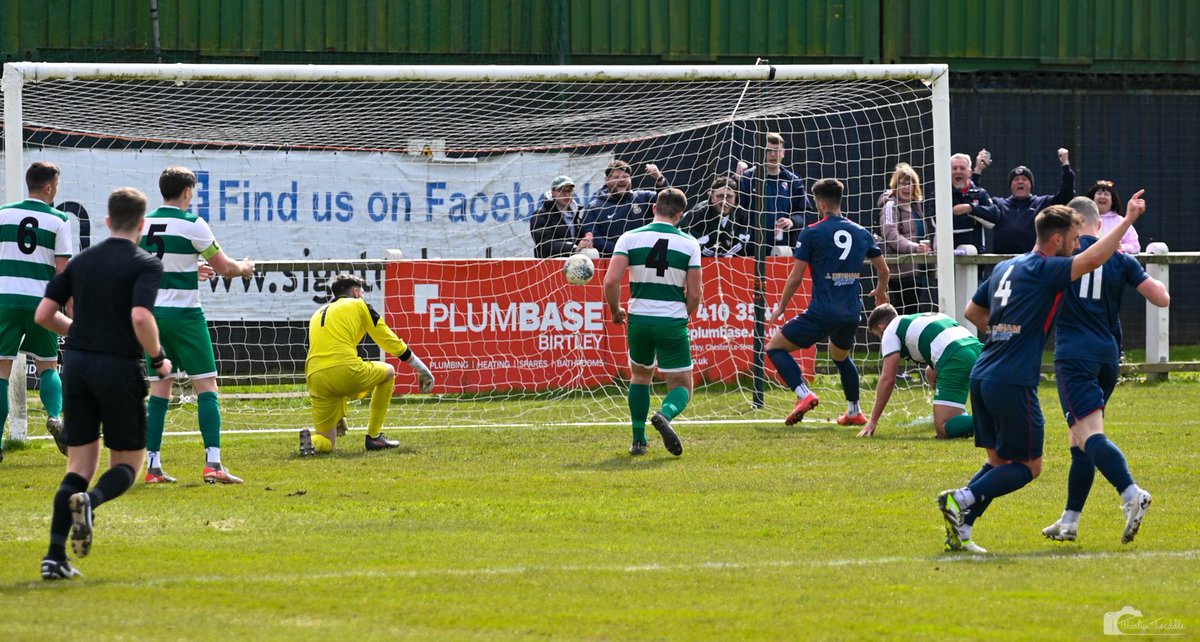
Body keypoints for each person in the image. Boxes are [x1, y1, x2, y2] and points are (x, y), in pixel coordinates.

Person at [937, 194, 1146, 555]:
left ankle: (963, 528)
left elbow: (973, 311)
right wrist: (1126, 221)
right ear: (1056, 240)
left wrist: (1007, 332)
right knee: (1029, 467)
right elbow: (1095, 258)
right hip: (1012, 380)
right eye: (1073, 239)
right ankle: (962, 497)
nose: (1078, 245)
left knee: (996, 462)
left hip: (983, 374)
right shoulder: (1045, 268)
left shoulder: (1005, 266)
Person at [34, 187, 171, 580]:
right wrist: (159, 358)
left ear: (107, 221)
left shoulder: (80, 262)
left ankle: (54, 557)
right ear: (141, 224)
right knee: (128, 462)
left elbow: (44, 314)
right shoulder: (144, 263)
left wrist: (81, 331)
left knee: (79, 465)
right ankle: (90, 502)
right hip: (118, 368)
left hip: (75, 365)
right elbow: (142, 318)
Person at [1042, 196, 1168, 544]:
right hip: (1108, 357)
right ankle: (1069, 520)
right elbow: (1161, 298)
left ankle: (1131, 493)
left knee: (1088, 434)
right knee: (1078, 440)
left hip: (1074, 356)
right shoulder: (1121, 258)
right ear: (1099, 222)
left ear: (1074, 225)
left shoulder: (1063, 256)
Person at [140, 167, 255, 485]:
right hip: (186, 317)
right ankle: (213, 464)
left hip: (151, 318)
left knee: (159, 390)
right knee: (206, 386)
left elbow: (150, 268)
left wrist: (192, 269)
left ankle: (152, 467)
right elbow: (228, 268)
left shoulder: (142, 223)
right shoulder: (193, 224)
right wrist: (246, 267)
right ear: (187, 192)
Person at [765, 178, 888, 427]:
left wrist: (782, 305)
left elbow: (796, 276)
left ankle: (803, 394)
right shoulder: (861, 232)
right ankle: (854, 411)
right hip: (851, 311)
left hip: (823, 310)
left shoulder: (811, 232)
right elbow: (884, 270)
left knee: (774, 348)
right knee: (840, 356)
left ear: (820, 203)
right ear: (839, 200)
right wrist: (880, 291)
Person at [602, 187, 700, 457]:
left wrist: (616, 310)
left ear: (654, 207)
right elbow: (695, 294)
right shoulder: (689, 243)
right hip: (671, 320)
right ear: (679, 215)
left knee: (640, 376)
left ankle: (638, 440)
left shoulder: (630, 238)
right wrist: (682, 316)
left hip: (640, 319)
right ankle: (664, 414)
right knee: (681, 385)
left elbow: (610, 282)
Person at [300, 275, 434, 455]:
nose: (363, 296)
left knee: (327, 443)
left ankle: (312, 441)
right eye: (363, 292)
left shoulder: (318, 313)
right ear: (356, 292)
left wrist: (338, 411)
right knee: (388, 372)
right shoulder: (358, 304)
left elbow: (325, 356)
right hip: (344, 371)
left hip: (315, 376)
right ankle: (374, 436)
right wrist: (421, 368)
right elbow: (388, 339)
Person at [0, 161, 73, 459]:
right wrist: (66, 311)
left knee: (1, 373)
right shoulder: (58, 220)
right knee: (47, 366)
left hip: (4, 300)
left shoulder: (3, 214)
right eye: (56, 184)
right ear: (48, 187)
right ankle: (55, 417)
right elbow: (62, 273)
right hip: (40, 304)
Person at [859, 304, 981, 439]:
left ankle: (996, 421)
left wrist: (873, 421)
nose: (881, 340)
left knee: (943, 428)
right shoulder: (915, 320)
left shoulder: (890, 331)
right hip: (976, 348)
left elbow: (888, 379)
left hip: (955, 357)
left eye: (878, 335)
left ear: (881, 327)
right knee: (930, 373)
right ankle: (958, 414)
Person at [979, 148, 1076, 255]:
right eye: (1016, 179)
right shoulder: (998, 204)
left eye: (1024, 179)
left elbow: (1066, 195)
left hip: (1031, 264)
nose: (1020, 181)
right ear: (1010, 186)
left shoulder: (1043, 203)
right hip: (1001, 264)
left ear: (1031, 185)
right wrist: (977, 170)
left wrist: (1065, 165)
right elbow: (976, 199)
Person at [738, 132, 813, 256]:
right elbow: (737, 210)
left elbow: (806, 213)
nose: (772, 154)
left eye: (776, 150)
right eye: (768, 150)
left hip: (784, 249)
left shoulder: (793, 180)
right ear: (761, 153)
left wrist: (792, 221)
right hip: (752, 248)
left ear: (783, 153)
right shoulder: (748, 178)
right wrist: (736, 179)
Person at [878, 163, 934, 316]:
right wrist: (914, 247)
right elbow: (891, 234)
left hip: (918, 270)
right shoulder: (890, 205)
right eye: (903, 183)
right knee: (904, 313)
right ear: (896, 185)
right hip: (899, 272)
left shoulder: (917, 207)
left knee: (915, 312)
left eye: (910, 183)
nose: (907, 187)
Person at [582, 160, 668, 257]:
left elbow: (668, 201)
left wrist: (659, 178)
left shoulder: (644, 198)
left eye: (625, 177)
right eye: (616, 177)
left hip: (644, 260)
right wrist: (622, 251)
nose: (621, 180)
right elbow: (595, 238)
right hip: (612, 262)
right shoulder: (593, 207)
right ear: (606, 180)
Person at [683, 175, 750, 258]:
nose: (724, 202)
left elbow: (742, 244)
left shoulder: (742, 214)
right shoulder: (697, 214)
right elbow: (692, 245)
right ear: (711, 197)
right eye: (720, 196)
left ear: (735, 197)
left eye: (729, 197)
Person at [530, 175, 592, 259]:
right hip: (548, 267)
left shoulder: (576, 214)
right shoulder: (541, 215)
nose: (566, 194)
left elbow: (577, 241)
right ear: (553, 192)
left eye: (569, 190)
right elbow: (544, 245)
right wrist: (573, 248)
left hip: (572, 265)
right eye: (562, 190)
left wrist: (586, 240)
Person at [950, 151, 999, 252]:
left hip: (976, 259)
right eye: (954, 168)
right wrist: (977, 217)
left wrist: (970, 208)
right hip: (947, 258)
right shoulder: (941, 194)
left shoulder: (980, 192)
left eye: (962, 168)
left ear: (969, 172)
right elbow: (937, 221)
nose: (958, 171)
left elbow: (994, 218)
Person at [1087, 179, 1141, 254]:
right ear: (1092, 198)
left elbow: (1135, 246)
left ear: (1113, 201)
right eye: (1099, 193)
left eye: (1106, 194)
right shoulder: (1083, 219)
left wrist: (1121, 247)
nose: (1102, 196)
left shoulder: (1121, 221)